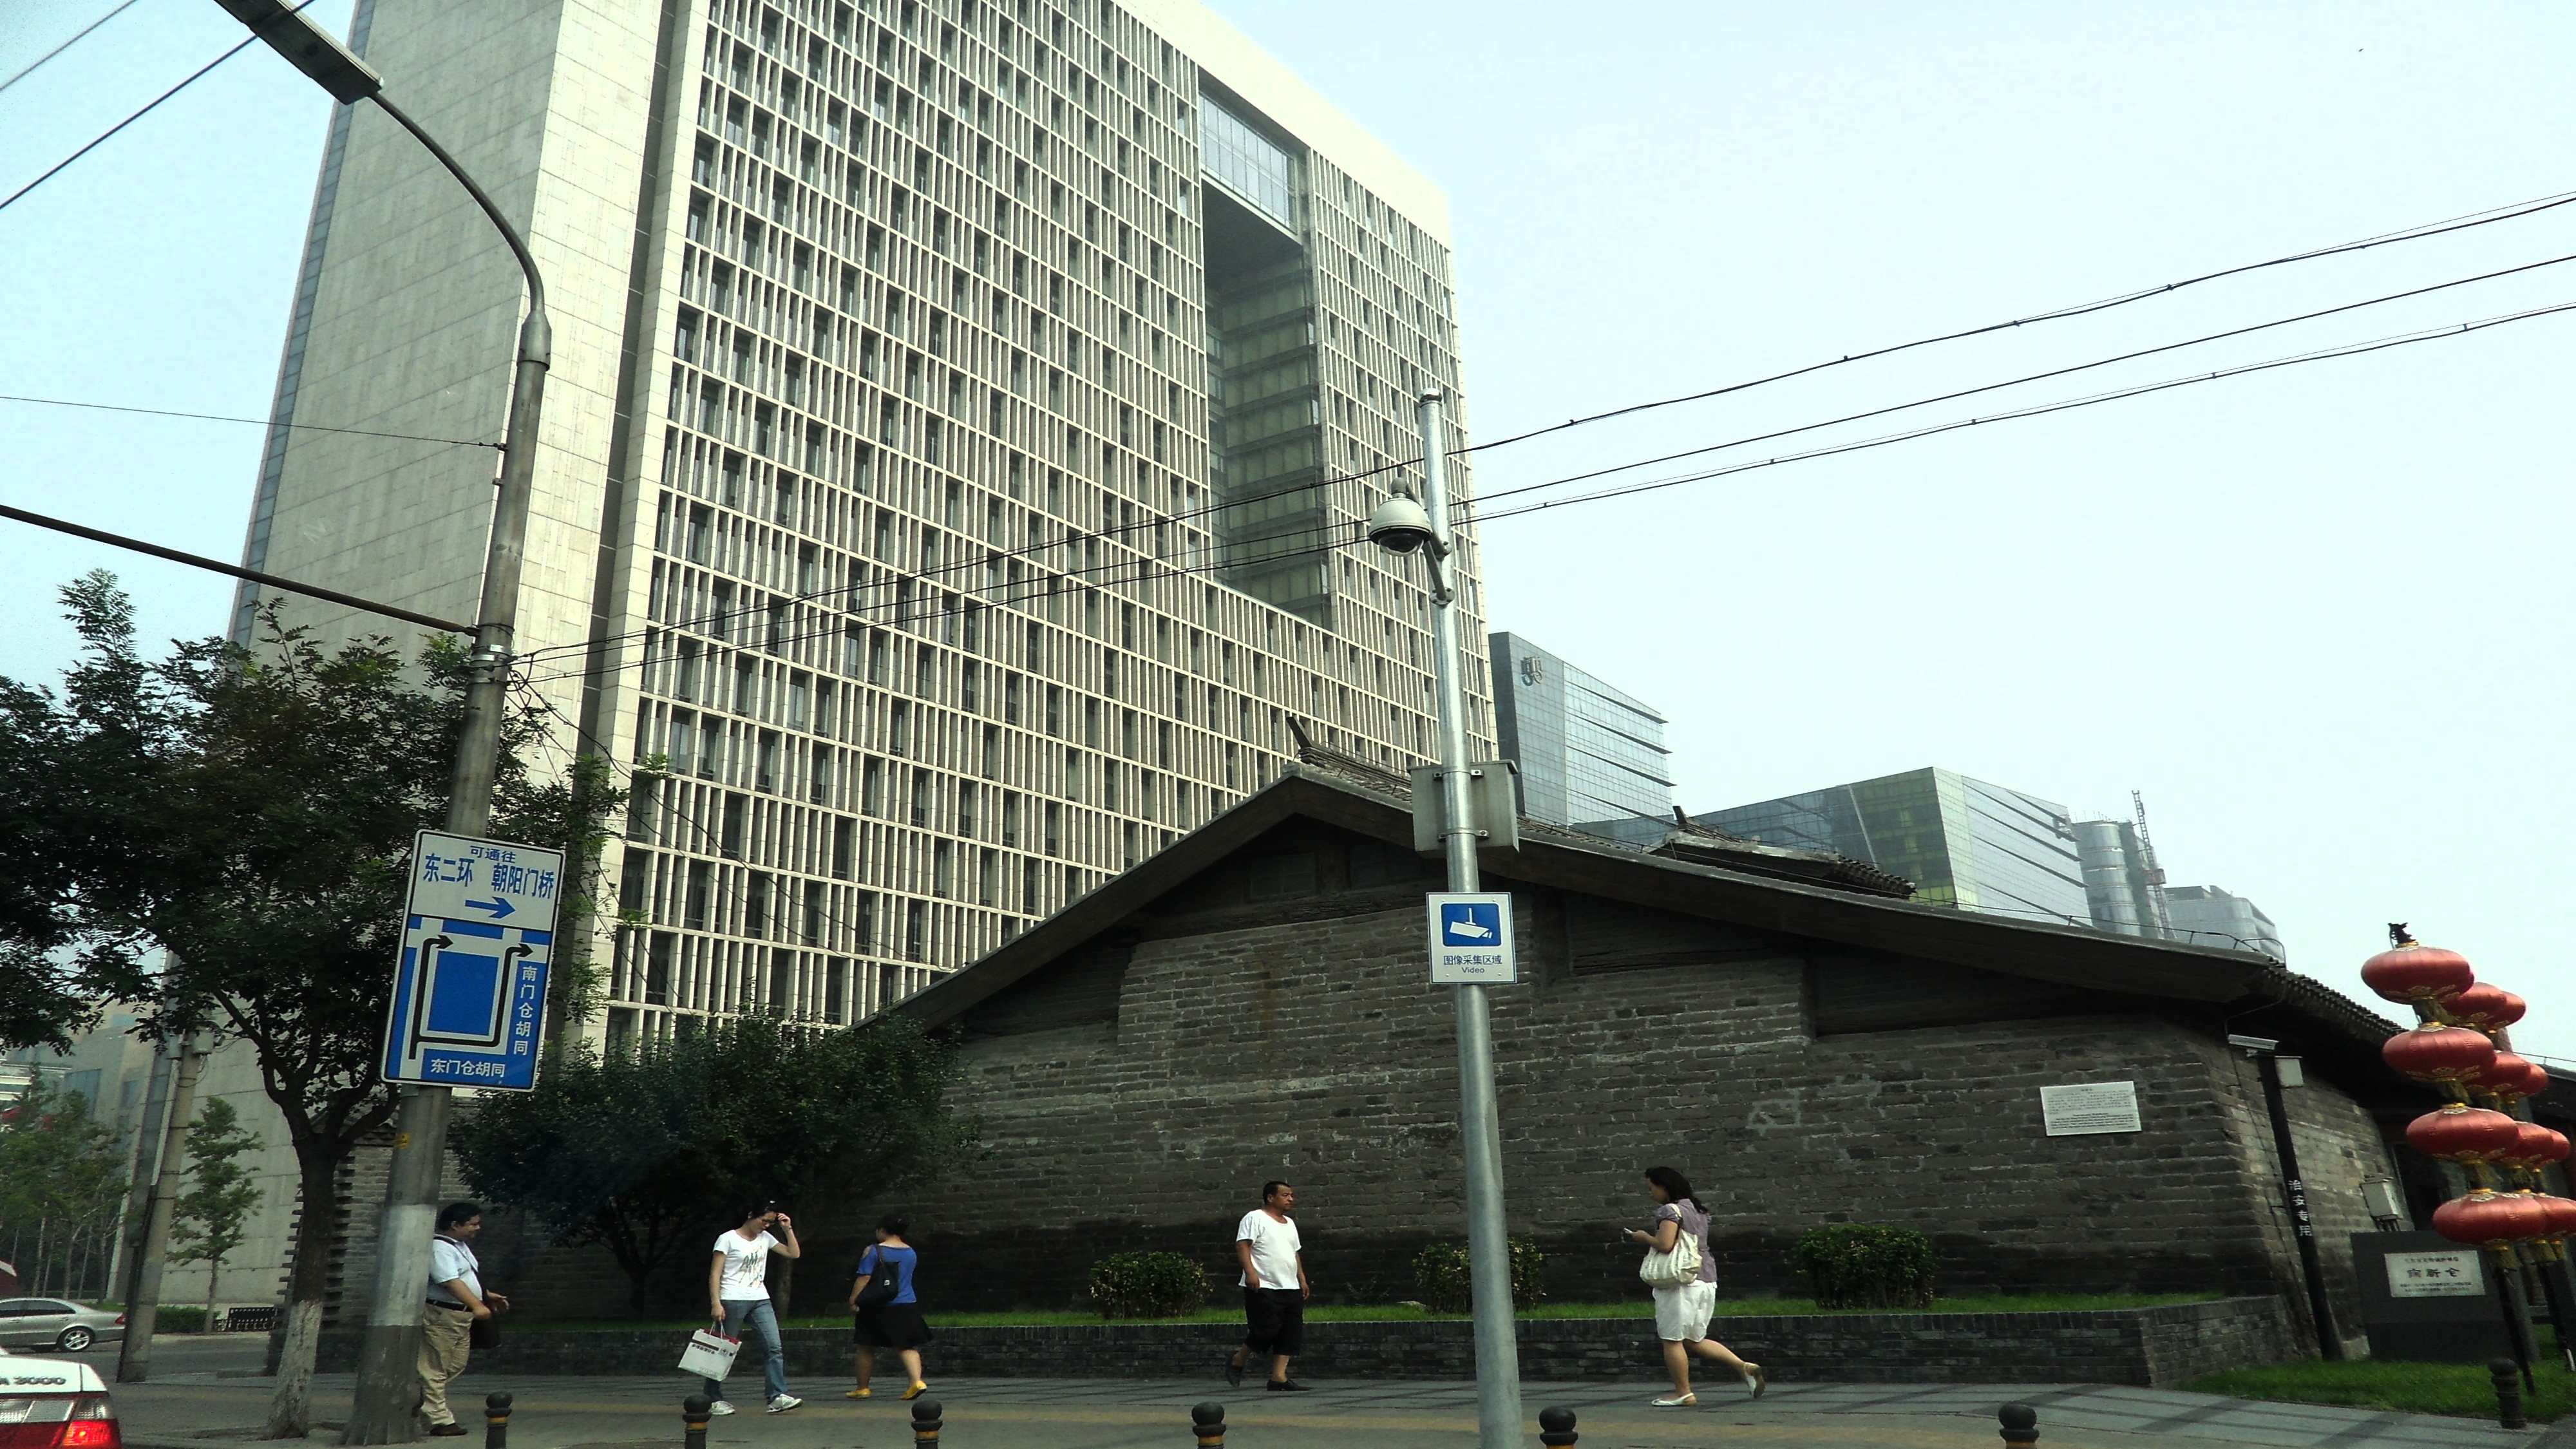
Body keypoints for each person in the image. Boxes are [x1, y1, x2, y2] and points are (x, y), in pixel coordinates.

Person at [1622, 1166, 1763, 1407]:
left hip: (1681, 1282)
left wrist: (1643, 1237)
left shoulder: (1670, 1210)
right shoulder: (1698, 1210)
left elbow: (1665, 1244)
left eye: (1651, 1188)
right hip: (1706, 1278)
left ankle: (1683, 1393)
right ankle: (1744, 1367)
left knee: (1671, 1339)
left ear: (1664, 1186)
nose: (1650, 1193)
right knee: (1693, 1339)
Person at [705, 1202, 802, 1416]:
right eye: (763, 1221)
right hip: (731, 1299)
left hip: (760, 1298)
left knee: (773, 1347)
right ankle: (712, 1398)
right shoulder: (728, 1239)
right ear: (751, 1215)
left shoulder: (765, 1238)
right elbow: (715, 1273)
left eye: (770, 1223)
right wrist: (716, 1303)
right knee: (722, 1350)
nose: (766, 1226)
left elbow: (793, 1253)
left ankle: (776, 1396)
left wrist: (787, 1229)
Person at [421, 1201, 507, 1437]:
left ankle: (416, 1399)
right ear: (455, 1225)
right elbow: (449, 1281)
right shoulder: (439, 1248)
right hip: (443, 1315)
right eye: (473, 1224)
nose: (477, 1228)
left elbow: (466, 1276)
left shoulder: (458, 1246)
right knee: (434, 1368)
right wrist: (477, 1305)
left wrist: (486, 1295)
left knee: (454, 1365)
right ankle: (440, 1420)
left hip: (461, 1316)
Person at [1225, 1180, 1310, 1392]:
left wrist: (1301, 1279)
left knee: (1291, 1332)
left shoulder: (1290, 1224)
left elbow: (1294, 1252)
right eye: (1285, 1195)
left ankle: (1278, 1377)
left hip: (1290, 1285)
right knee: (1266, 1329)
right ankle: (1238, 1359)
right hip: (1264, 1284)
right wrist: (1250, 1273)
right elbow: (1242, 1245)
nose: (1290, 1199)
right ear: (1271, 1197)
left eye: (1291, 1195)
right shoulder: (1255, 1218)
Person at [844, 1214, 934, 1400]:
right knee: (906, 1346)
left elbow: (864, 1277)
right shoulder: (910, 1252)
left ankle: (863, 1388)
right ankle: (916, 1381)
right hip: (907, 1304)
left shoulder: (874, 1251)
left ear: (882, 1230)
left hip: (877, 1306)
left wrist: (854, 1300)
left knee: (866, 1346)